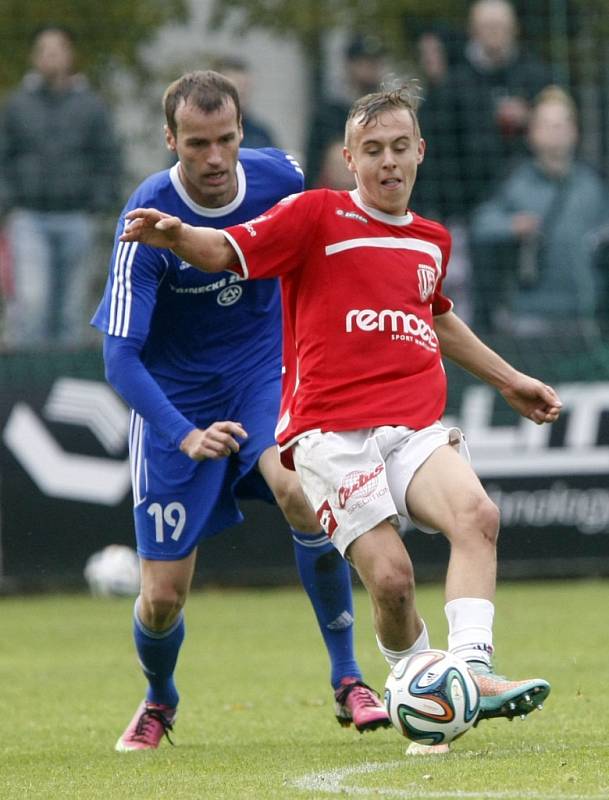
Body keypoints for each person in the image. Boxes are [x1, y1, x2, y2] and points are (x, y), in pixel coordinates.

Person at [120, 83, 563, 756]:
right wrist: (177, 233)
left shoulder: (429, 240)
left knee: (477, 517)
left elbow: (436, 316)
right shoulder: (312, 216)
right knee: (390, 580)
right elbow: (225, 250)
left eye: (399, 149)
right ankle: (416, 686)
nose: (389, 164)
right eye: (373, 151)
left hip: (410, 425)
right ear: (349, 160)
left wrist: (510, 379)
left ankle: (470, 674)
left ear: (420, 152)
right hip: (329, 434)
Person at [91, 70, 390, 752]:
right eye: (197, 144)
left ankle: (348, 678)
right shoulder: (145, 219)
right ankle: (159, 698)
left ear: (240, 131)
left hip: (264, 375)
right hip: (177, 401)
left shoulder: (279, 176)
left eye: (226, 139)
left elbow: (322, 243)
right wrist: (183, 433)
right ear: (171, 140)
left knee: (299, 489)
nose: (216, 158)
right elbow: (119, 359)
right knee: (162, 598)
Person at [0, 24, 121, 348]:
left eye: (57, 50)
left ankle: (62, 387)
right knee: (32, 305)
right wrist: (8, 200)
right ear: (35, 57)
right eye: (44, 50)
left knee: (71, 310)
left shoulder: (91, 106)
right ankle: (27, 389)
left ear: (70, 55)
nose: (51, 57)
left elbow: (108, 157)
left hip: (76, 217)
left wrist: (99, 201)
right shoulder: (16, 105)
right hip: (28, 217)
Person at [470, 86, 609, 338]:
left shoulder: (594, 183)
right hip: (530, 316)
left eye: (562, 123)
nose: (555, 131)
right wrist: (511, 226)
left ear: (574, 131)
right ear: (531, 133)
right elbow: (481, 224)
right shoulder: (514, 181)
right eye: (546, 123)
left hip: (587, 315)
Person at [448, 0, 555, 217]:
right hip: (472, 199)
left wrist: (532, 118)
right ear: (474, 31)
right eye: (488, 26)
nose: (495, 33)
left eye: (501, 26)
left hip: (533, 198)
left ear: (514, 29)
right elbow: (445, 148)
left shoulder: (537, 74)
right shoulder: (454, 83)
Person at [304, 33, 386, 188]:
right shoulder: (329, 114)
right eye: (364, 61)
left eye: (376, 62)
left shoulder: (389, 115)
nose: (371, 68)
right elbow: (313, 167)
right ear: (350, 64)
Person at [210, 56, 277, 149]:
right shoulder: (201, 131)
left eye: (245, 87)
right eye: (235, 88)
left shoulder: (260, 135)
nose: (242, 92)